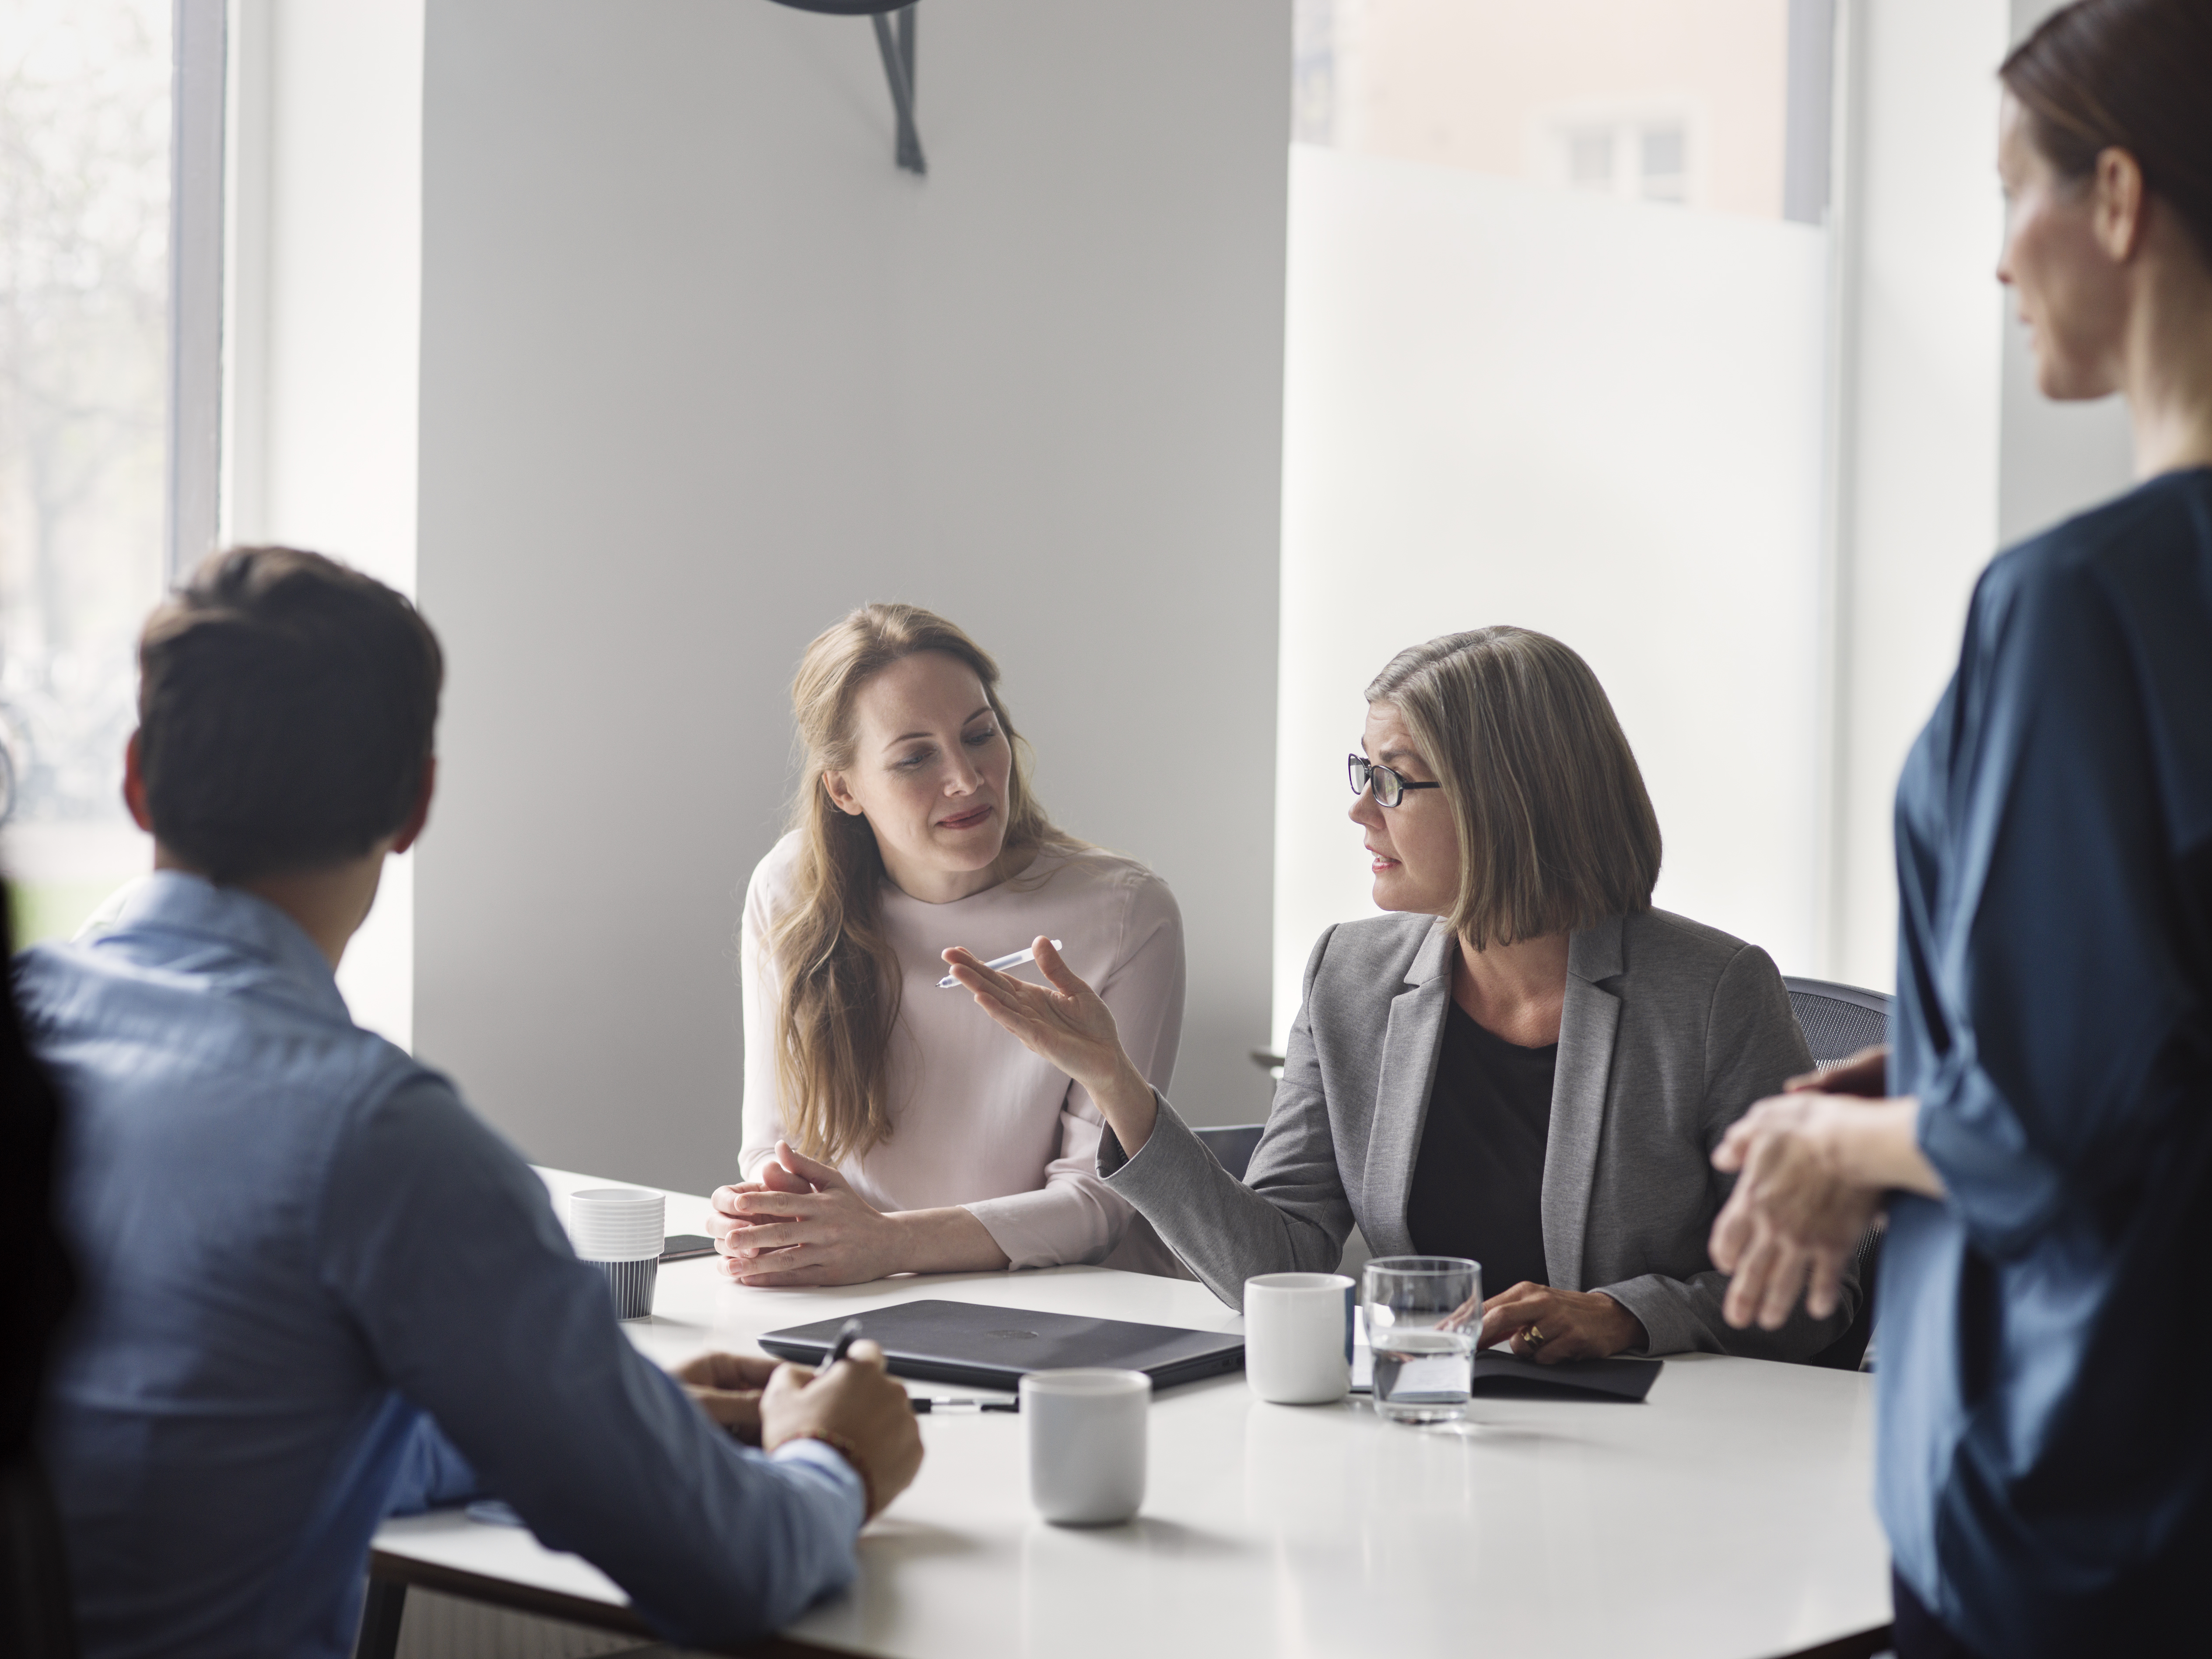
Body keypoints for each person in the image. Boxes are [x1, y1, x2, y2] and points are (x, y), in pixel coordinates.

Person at [19, 548, 923, 1659]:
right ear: (416, 805)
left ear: (136, 780)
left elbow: (197, 1440)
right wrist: (835, 1456)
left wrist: (591, 1425)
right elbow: (730, 1568)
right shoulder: (382, 1142)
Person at [1705, 4, 2212, 1653]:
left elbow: (2049, 1133)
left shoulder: (2074, 602)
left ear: (2120, 198)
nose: (2000, 263)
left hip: (2089, 1490)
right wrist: (1928, 1070)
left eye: (2016, 195)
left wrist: (1826, 1146)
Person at [950, 626, 1854, 1361]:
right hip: (1426, 1427)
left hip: (1670, 1453)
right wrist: (1116, 1084)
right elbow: (1278, 1263)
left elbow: (1814, 1298)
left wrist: (1629, 1315)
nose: (1359, 811)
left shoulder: (1712, 994)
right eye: (1362, 771)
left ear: (1509, 801)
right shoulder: (1348, 974)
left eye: (1392, 779)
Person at [712, 603, 1185, 1284]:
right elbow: (771, 1144)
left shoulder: (1124, 914)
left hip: (1064, 1312)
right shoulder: (791, 891)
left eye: (980, 734)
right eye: (914, 758)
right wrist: (763, 1208)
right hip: (859, 1293)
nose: (967, 779)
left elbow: (1098, 1200)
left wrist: (886, 1246)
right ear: (844, 789)